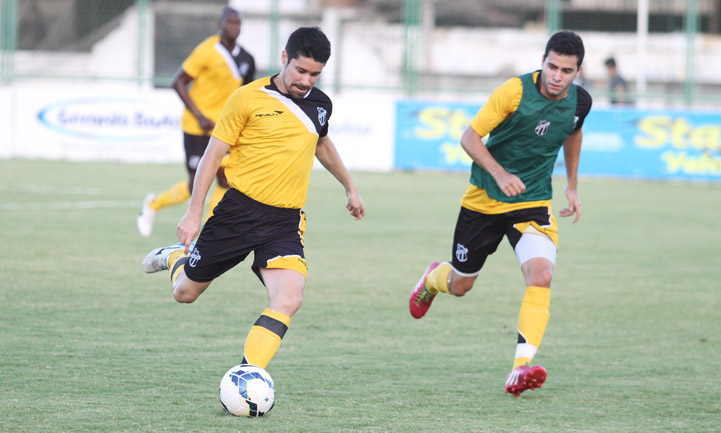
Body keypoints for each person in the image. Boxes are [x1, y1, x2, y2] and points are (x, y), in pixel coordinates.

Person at [142, 27, 365, 372]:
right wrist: (193, 213)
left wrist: (349, 186)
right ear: (284, 59)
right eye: (300, 71)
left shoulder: (321, 105)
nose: (306, 81)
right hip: (238, 213)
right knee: (185, 293)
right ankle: (175, 257)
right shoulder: (247, 98)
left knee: (289, 299)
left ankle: (249, 375)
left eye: (315, 74)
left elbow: (321, 142)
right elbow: (212, 157)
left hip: (285, 222)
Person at [408, 31, 592, 397]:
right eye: (552, 66)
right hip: (484, 199)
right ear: (543, 61)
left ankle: (520, 367)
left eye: (566, 70)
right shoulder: (514, 91)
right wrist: (501, 174)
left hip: (532, 201)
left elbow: (572, 133)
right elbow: (469, 137)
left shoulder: (580, 102)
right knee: (461, 285)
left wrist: (572, 184)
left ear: (577, 71)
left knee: (541, 275)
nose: (557, 76)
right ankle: (433, 278)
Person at [137, 6, 256, 237]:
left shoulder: (247, 59)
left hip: (224, 129)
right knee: (195, 186)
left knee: (225, 178)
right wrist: (199, 116)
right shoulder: (206, 51)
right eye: (229, 22)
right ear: (219, 25)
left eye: (237, 23)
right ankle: (154, 204)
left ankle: (207, 234)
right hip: (196, 127)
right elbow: (178, 82)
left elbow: (247, 95)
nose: (234, 27)